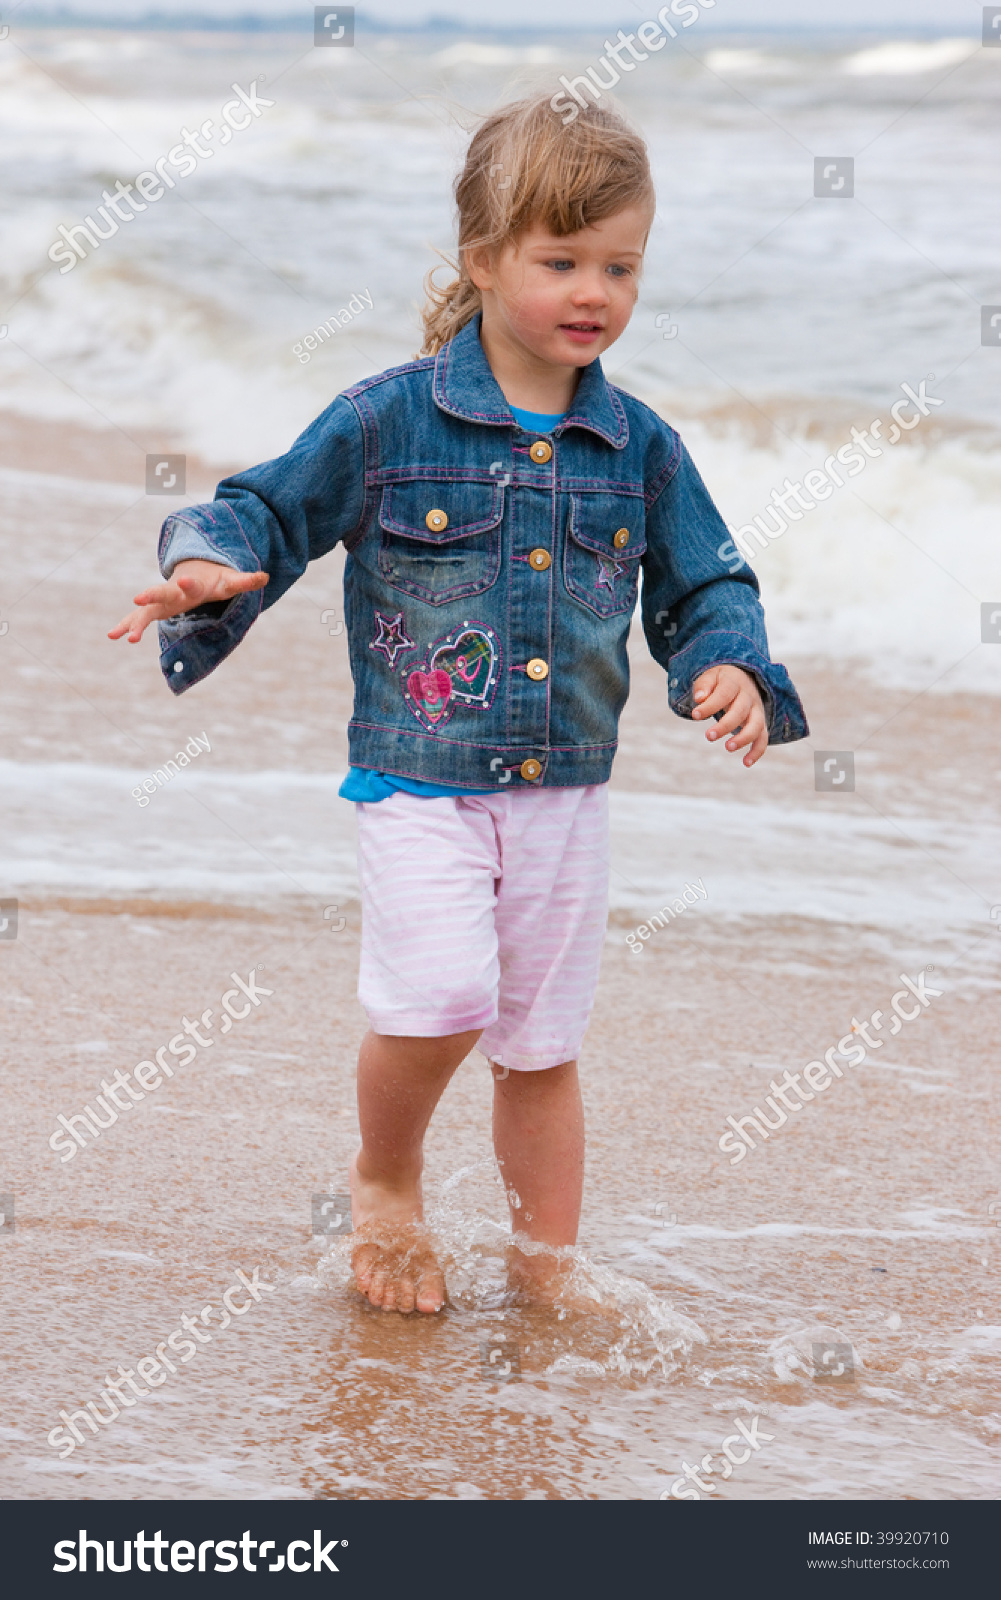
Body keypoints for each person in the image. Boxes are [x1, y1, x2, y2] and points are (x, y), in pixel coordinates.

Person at [110, 92, 808, 1316]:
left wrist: (730, 666)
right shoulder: (388, 419)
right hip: (418, 779)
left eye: (620, 265)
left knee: (538, 1046)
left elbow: (706, 580)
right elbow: (265, 509)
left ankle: (545, 1266)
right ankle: (386, 1176)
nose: (593, 290)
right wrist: (205, 566)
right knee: (437, 997)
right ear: (481, 261)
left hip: (564, 794)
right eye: (560, 260)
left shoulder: (638, 445)